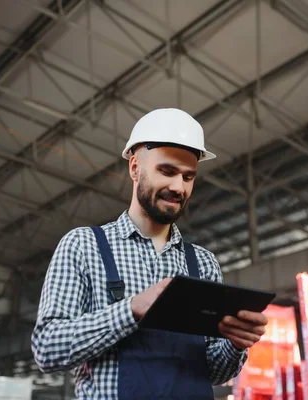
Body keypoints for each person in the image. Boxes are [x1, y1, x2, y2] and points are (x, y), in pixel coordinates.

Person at [31, 108, 269, 399]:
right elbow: (47, 349)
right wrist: (131, 308)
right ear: (134, 168)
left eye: (188, 177)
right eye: (167, 171)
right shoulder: (84, 246)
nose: (178, 187)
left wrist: (235, 344)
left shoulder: (203, 264)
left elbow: (214, 373)